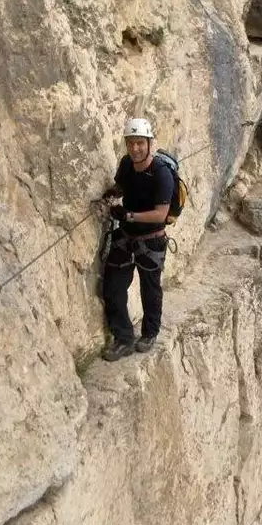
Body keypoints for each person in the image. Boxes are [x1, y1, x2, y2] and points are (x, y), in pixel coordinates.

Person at [100, 118, 174, 361]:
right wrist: (113, 195)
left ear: (149, 143)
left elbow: (160, 214)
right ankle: (123, 339)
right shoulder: (126, 164)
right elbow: (122, 187)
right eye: (130, 143)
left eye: (140, 143)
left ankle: (150, 333)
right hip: (127, 235)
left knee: (150, 288)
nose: (135, 148)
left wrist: (128, 215)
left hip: (151, 240)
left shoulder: (161, 174)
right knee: (113, 286)